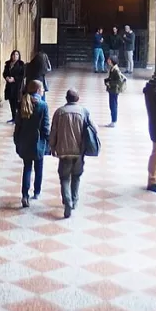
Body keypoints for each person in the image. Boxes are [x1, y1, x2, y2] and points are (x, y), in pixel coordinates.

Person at [49, 88, 87, 219]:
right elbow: (93, 129)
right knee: (76, 176)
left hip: (64, 151)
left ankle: (67, 201)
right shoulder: (83, 112)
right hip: (79, 151)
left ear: (66, 99)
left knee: (64, 178)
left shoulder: (59, 112)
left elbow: (53, 131)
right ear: (78, 99)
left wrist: (52, 146)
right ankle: (74, 200)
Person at [13, 80, 50, 208]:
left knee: (27, 168)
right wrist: (49, 141)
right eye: (42, 89)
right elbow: (45, 127)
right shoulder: (43, 105)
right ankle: (37, 192)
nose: (44, 90)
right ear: (38, 90)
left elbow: (18, 125)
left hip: (24, 141)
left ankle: (24, 195)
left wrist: (16, 140)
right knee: (39, 168)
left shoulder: (23, 103)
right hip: (38, 142)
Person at [2, 51, 25, 124]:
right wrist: (7, 78)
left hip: (17, 87)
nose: (15, 56)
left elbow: (22, 75)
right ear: (11, 55)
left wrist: (14, 79)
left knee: (17, 103)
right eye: (14, 54)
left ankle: (19, 118)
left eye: (17, 54)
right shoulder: (8, 64)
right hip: (9, 86)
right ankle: (13, 118)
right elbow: (4, 73)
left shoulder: (21, 64)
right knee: (11, 102)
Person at [103, 58, 126, 127]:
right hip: (112, 89)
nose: (108, 61)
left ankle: (114, 121)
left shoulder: (116, 70)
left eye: (109, 60)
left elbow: (119, 81)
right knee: (112, 105)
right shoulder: (113, 68)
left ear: (112, 61)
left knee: (113, 105)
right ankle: (113, 120)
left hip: (114, 90)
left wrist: (110, 83)